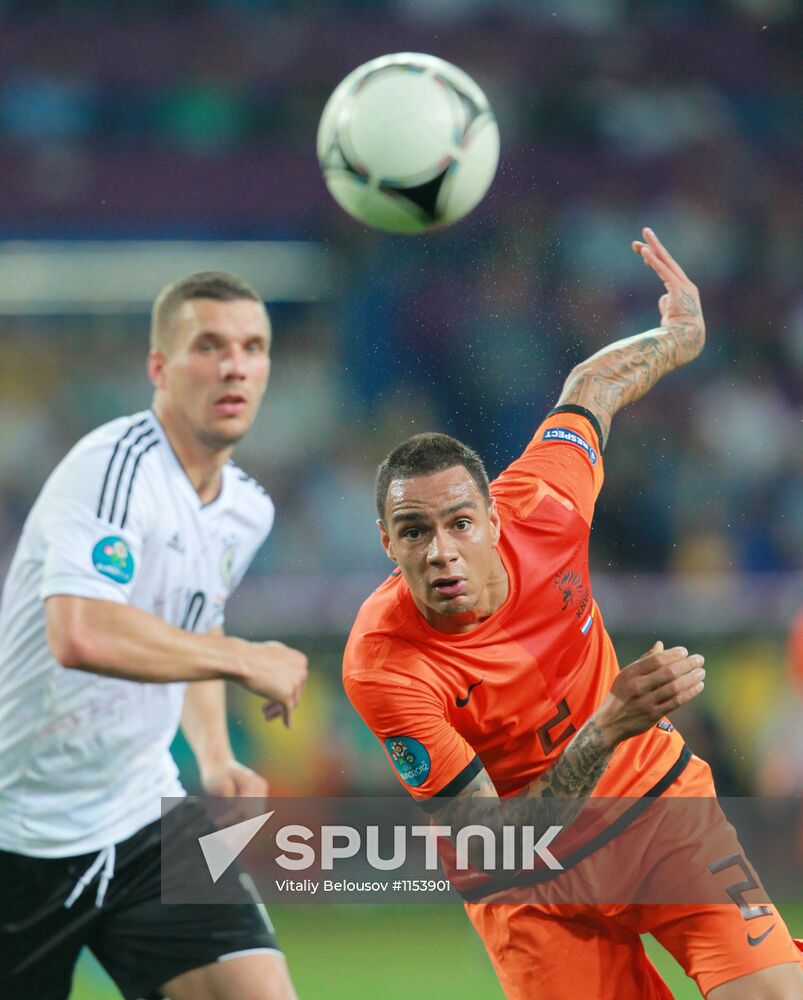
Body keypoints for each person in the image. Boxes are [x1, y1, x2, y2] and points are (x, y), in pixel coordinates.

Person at [343, 230, 803, 999]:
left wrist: (677, 337)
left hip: (654, 812)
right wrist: (607, 724)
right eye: (414, 533)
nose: (441, 551)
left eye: (459, 523)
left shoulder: (546, 504)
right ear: (386, 543)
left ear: (494, 519)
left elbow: (591, 384)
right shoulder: (384, 664)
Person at [0, 272, 308, 1000]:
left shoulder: (245, 511)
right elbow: (81, 630)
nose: (234, 365)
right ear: (159, 368)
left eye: (252, 347)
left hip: (140, 816)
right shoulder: (115, 467)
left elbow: (191, 621)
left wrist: (214, 755)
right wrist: (242, 660)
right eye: (208, 345)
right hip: (16, 830)